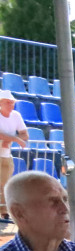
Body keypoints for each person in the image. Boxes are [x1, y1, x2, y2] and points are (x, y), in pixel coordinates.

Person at [0, 90, 28, 221]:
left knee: (5, 184)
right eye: (8, 102)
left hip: (6, 155)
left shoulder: (16, 115)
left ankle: (4, 212)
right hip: (4, 154)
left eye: (12, 103)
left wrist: (8, 139)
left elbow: (25, 134)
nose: (11, 105)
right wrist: (15, 139)